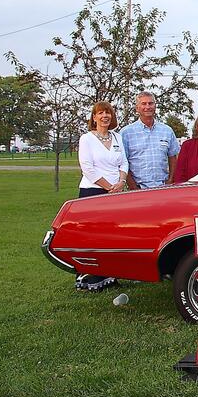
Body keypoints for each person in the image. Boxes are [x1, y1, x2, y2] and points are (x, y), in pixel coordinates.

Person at [76, 101, 127, 290]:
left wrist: (121, 182)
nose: (105, 116)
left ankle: (111, 276)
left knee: (112, 236)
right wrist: (108, 187)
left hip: (116, 192)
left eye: (108, 113)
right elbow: (87, 168)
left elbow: (124, 162)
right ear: (94, 117)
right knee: (92, 236)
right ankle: (90, 278)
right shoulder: (86, 139)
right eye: (100, 113)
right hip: (93, 192)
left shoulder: (117, 137)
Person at [120, 91, 180, 189]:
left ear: (155, 106)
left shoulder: (167, 131)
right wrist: (133, 187)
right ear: (137, 108)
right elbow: (123, 162)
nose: (147, 107)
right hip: (139, 188)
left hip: (163, 187)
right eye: (143, 104)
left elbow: (173, 157)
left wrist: (170, 180)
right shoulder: (126, 133)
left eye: (150, 103)